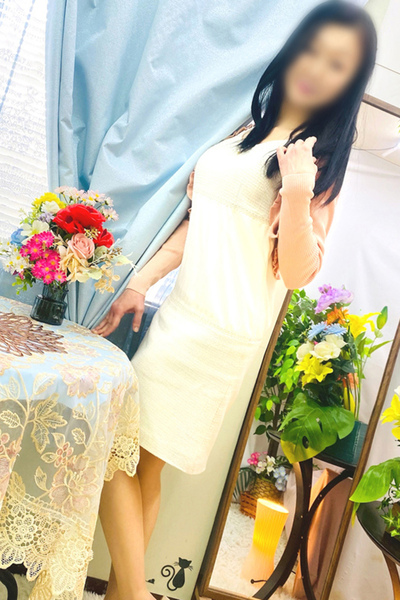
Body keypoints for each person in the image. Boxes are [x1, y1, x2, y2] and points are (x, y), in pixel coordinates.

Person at [93, 3, 377, 599]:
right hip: (181, 315)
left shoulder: (315, 163)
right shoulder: (244, 132)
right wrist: (140, 282)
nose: (316, 68)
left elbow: (298, 272)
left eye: (337, 64)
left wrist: (297, 190)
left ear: (348, 83)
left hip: (221, 332)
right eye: (312, 50)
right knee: (141, 463)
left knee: (116, 451)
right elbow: (200, 222)